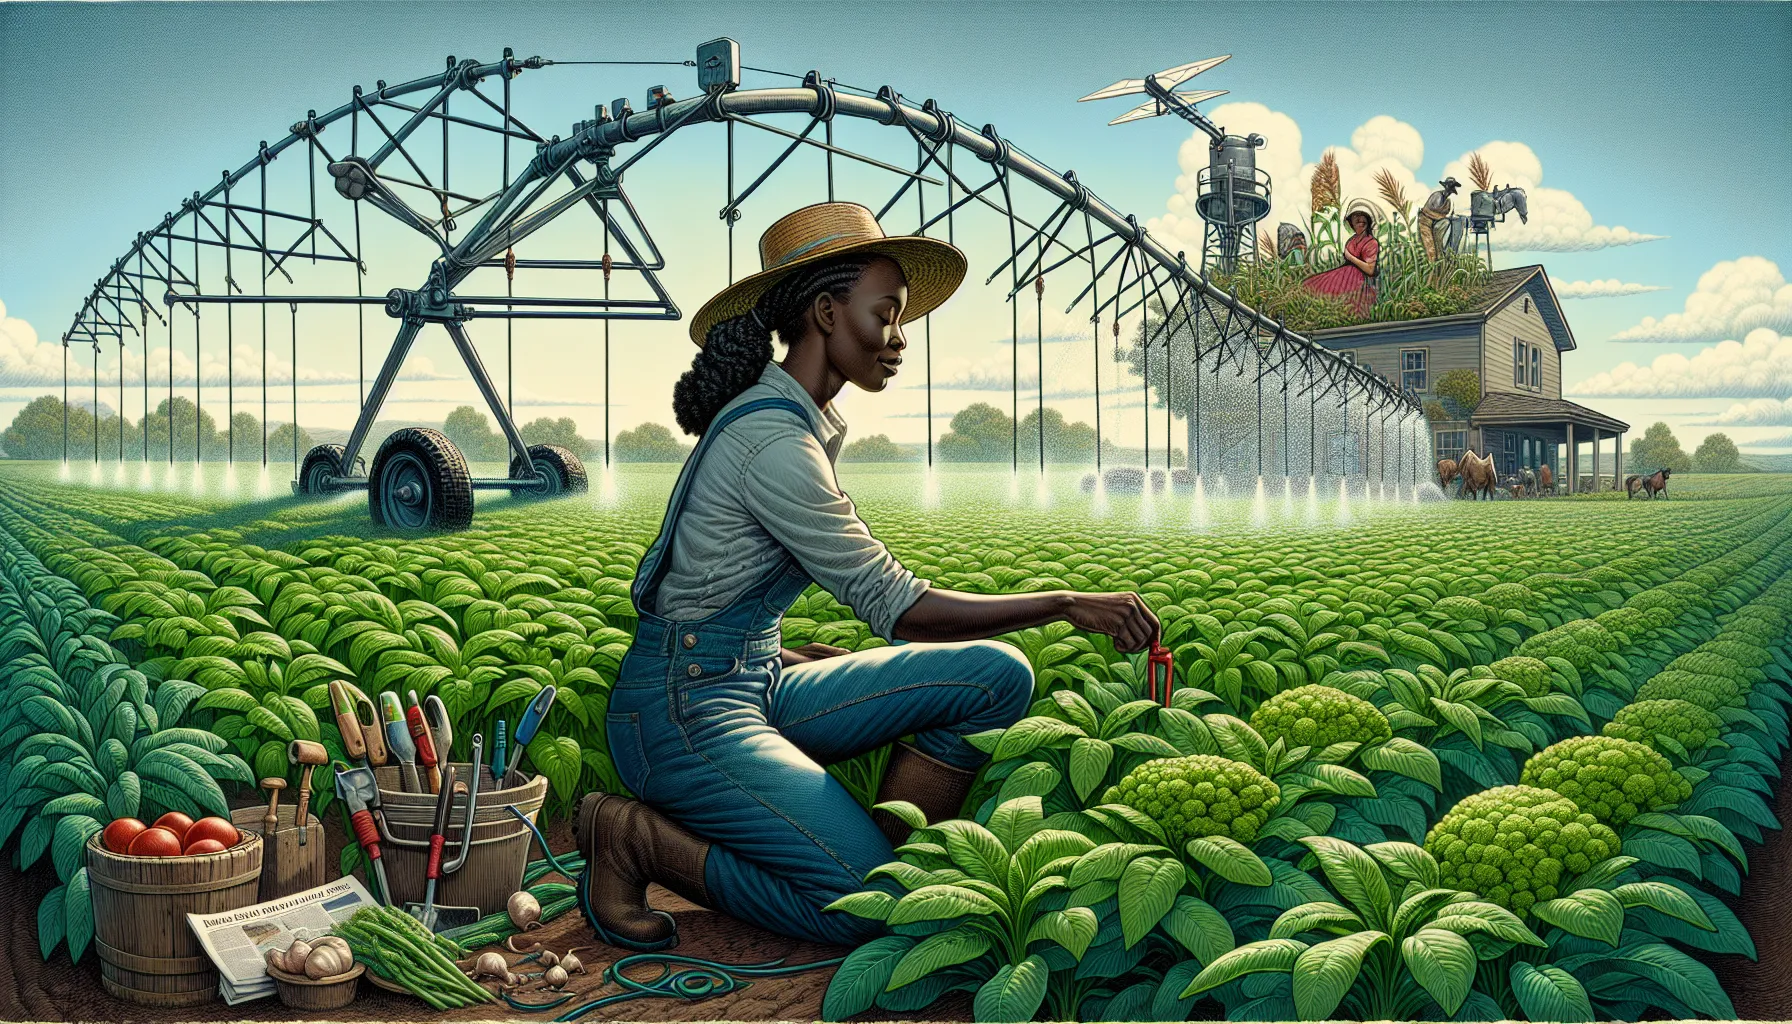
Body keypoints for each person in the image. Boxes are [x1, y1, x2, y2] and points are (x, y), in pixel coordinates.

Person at [575, 201, 1162, 951]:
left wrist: (773, 653)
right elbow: (900, 606)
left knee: (996, 677)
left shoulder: (795, 422)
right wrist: (1065, 603)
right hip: (681, 714)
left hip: (753, 681)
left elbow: (719, 590)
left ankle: (885, 861)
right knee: (868, 911)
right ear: (826, 313)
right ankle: (636, 839)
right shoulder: (774, 442)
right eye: (886, 315)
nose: (900, 339)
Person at [1302, 198, 1380, 317]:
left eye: (1363, 216)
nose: (1360, 220)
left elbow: (1370, 269)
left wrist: (1350, 257)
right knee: (1311, 284)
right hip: (1344, 275)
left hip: (1358, 280)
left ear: (1368, 221)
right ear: (1351, 222)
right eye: (1356, 216)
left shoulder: (1371, 242)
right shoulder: (1351, 240)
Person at [1418, 176, 1461, 260]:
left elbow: (1447, 215)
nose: (1450, 192)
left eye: (1451, 190)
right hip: (1425, 222)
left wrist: (1449, 216)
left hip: (1435, 224)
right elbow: (1427, 212)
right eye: (1450, 189)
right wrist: (1443, 217)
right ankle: (1431, 264)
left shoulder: (1448, 202)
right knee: (1430, 249)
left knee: (1439, 248)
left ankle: (1441, 261)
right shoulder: (1437, 196)